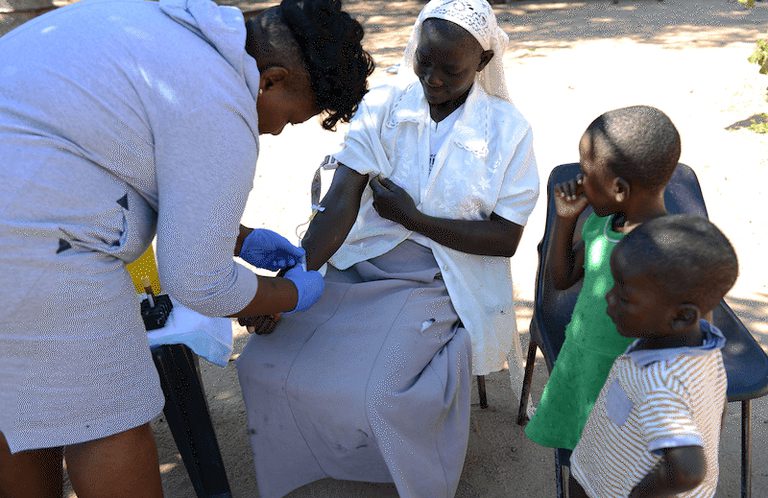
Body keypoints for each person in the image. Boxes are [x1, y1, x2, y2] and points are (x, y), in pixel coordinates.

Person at [0, 0, 373, 495]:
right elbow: (199, 281)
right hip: (32, 240)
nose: (276, 130)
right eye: (289, 118)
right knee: (109, 417)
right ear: (272, 80)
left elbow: (117, 151)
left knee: (26, 406)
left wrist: (239, 238)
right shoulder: (220, 98)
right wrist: (292, 293)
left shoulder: (166, 25)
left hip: (21, 211)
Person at [236, 1, 539, 496]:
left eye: (451, 69)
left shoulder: (507, 131)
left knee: (378, 394)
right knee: (262, 365)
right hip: (359, 263)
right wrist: (292, 284)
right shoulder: (387, 107)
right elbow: (338, 205)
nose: (433, 79)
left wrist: (414, 218)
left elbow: (505, 238)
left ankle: (408, 475)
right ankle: (305, 465)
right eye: (425, 60)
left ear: (482, 63)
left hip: (439, 279)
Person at [524, 105, 682, 450]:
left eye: (586, 173)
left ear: (620, 189)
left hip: (626, 382)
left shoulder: (667, 253)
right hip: (584, 363)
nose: (580, 181)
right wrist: (565, 221)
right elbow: (562, 279)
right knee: (581, 462)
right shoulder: (604, 224)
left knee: (616, 463)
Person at [569, 214, 736, 498]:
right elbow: (716, 409)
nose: (608, 298)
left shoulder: (660, 381)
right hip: (607, 466)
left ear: (681, 316)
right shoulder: (705, 346)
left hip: (614, 489)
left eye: (624, 297)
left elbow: (688, 470)